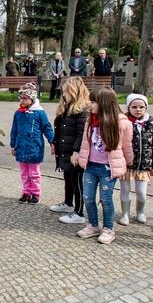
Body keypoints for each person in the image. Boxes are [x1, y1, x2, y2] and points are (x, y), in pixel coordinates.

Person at [74, 87, 133, 245]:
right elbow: (86, 143)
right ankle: (93, 225)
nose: (90, 105)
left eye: (93, 102)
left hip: (108, 168)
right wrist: (81, 157)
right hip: (90, 166)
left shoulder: (122, 123)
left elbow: (127, 145)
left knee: (106, 199)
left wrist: (129, 162)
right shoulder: (90, 120)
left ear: (104, 103)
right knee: (88, 196)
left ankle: (108, 228)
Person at [117, 94, 153, 226]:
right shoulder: (124, 123)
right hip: (126, 164)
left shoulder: (150, 125)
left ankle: (140, 211)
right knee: (125, 190)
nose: (138, 110)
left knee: (141, 192)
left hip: (144, 164)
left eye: (141, 107)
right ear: (128, 107)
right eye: (134, 107)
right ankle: (125, 213)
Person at [50, 77, 90, 224]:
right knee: (68, 177)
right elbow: (60, 128)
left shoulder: (82, 109)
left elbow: (82, 132)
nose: (63, 94)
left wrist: (76, 151)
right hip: (65, 149)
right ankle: (68, 203)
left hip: (74, 152)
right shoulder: (67, 107)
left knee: (77, 181)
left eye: (65, 91)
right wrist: (55, 143)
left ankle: (79, 212)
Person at [9, 83, 54, 205]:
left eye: (25, 98)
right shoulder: (18, 113)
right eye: (21, 98)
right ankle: (26, 192)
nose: (22, 101)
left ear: (32, 99)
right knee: (24, 173)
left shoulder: (39, 113)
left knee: (34, 173)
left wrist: (52, 141)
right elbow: (14, 130)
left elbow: (47, 128)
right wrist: (13, 145)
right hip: (21, 147)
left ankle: (35, 192)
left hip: (34, 147)